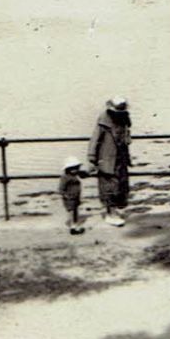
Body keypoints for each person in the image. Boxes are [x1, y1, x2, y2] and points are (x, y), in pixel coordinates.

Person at [86, 96, 132, 227]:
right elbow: (95, 140)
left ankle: (115, 211)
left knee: (120, 185)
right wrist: (92, 158)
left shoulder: (124, 119)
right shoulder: (103, 120)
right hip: (106, 159)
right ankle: (110, 214)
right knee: (109, 186)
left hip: (120, 157)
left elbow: (126, 136)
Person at [58, 156, 86, 235]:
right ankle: (73, 227)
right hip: (69, 198)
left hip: (76, 197)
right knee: (71, 212)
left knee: (75, 211)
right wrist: (65, 195)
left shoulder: (75, 175)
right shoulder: (65, 177)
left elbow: (84, 175)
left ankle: (75, 224)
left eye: (77, 168)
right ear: (68, 169)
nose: (76, 170)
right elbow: (61, 189)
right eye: (73, 168)